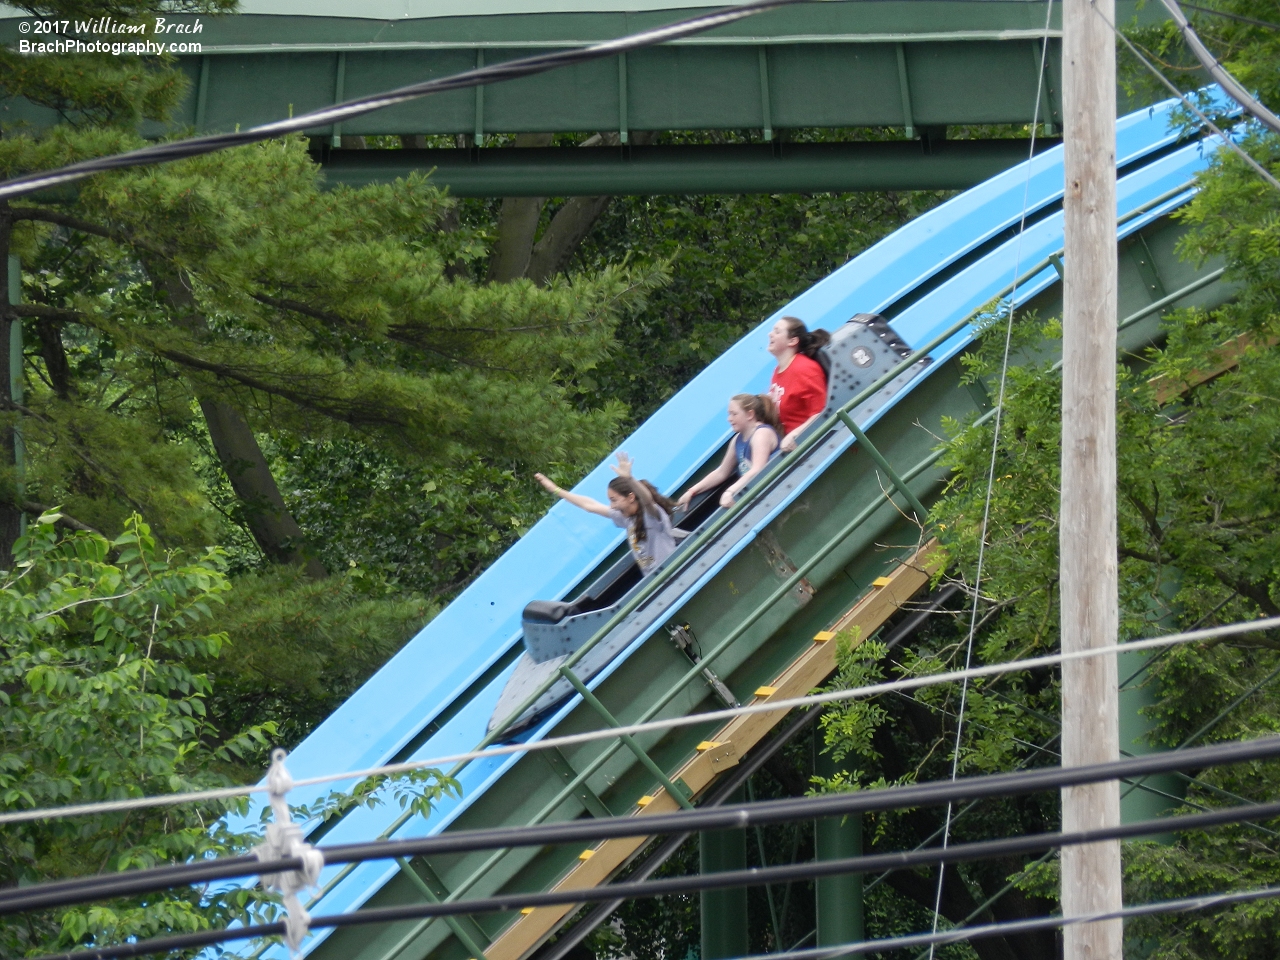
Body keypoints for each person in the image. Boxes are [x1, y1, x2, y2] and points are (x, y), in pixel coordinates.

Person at [534, 453, 678, 577]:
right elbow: (589, 505)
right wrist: (556, 490)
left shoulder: (651, 515)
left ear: (631, 497)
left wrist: (629, 479)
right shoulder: (625, 518)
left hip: (671, 572)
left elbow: (647, 499)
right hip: (654, 578)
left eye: (614, 500)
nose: (612, 505)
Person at [677, 394, 781, 510]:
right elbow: (721, 472)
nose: (729, 419)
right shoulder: (737, 439)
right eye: (729, 414)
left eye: (734, 414)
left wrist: (730, 491)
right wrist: (692, 491)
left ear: (750, 414)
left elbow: (758, 469)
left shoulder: (761, 434)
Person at [767, 315, 830, 452]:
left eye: (777, 332)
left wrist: (795, 435)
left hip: (804, 447)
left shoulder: (805, 370)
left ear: (792, 341)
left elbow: (821, 412)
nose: (770, 334)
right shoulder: (777, 370)